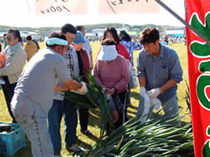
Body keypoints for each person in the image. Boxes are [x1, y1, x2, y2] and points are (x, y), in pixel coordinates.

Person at [11, 32, 88, 157]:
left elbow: (54, 86)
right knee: (45, 151)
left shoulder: (40, 54)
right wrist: (81, 87)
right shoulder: (57, 58)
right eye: (66, 48)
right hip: (32, 110)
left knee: (39, 146)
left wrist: (70, 89)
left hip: (18, 106)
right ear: (59, 47)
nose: (66, 51)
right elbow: (69, 83)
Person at [48, 24, 82, 156]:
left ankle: (71, 143)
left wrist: (78, 86)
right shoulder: (54, 51)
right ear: (61, 35)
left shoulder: (72, 50)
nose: (70, 42)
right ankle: (56, 152)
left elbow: (76, 70)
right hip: (56, 93)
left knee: (72, 119)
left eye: (72, 39)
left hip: (71, 92)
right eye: (68, 38)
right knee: (54, 124)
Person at [136, 28, 183, 121]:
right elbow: (141, 72)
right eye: (143, 46)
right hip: (148, 92)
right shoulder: (142, 55)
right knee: (140, 120)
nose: (145, 48)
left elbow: (176, 77)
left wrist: (159, 90)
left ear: (157, 42)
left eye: (148, 45)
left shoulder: (171, 54)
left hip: (168, 92)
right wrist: (142, 88)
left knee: (173, 122)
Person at [94, 39, 130, 129]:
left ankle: (120, 136)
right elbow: (96, 75)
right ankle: (108, 135)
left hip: (120, 92)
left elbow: (126, 78)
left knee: (120, 117)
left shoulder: (122, 61)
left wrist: (115, 88)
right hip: (105, 93)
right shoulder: (99, 61)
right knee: (107, 116)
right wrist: (102, 86)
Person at [0, 29, 27, 123]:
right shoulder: (8, 48)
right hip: (5, 80)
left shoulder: (19, 51)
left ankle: (20, 124)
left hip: (13, 82)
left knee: (15, 106)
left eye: (9, 38)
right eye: (6, 38)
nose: (7, 40)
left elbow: (12, 69)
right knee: (9, 104)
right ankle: (16, 123)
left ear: (17, 39)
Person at [72, 31, 93, 136]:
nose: (80, 45)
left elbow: (87, 68)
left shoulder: (84, 52)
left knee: (84, 109)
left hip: (84, 84)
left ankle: (84, 128)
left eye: (81, 43)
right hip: (72, 85)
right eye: (78, 43)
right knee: (72, 111)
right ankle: (72, 133)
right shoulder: (70, 53)